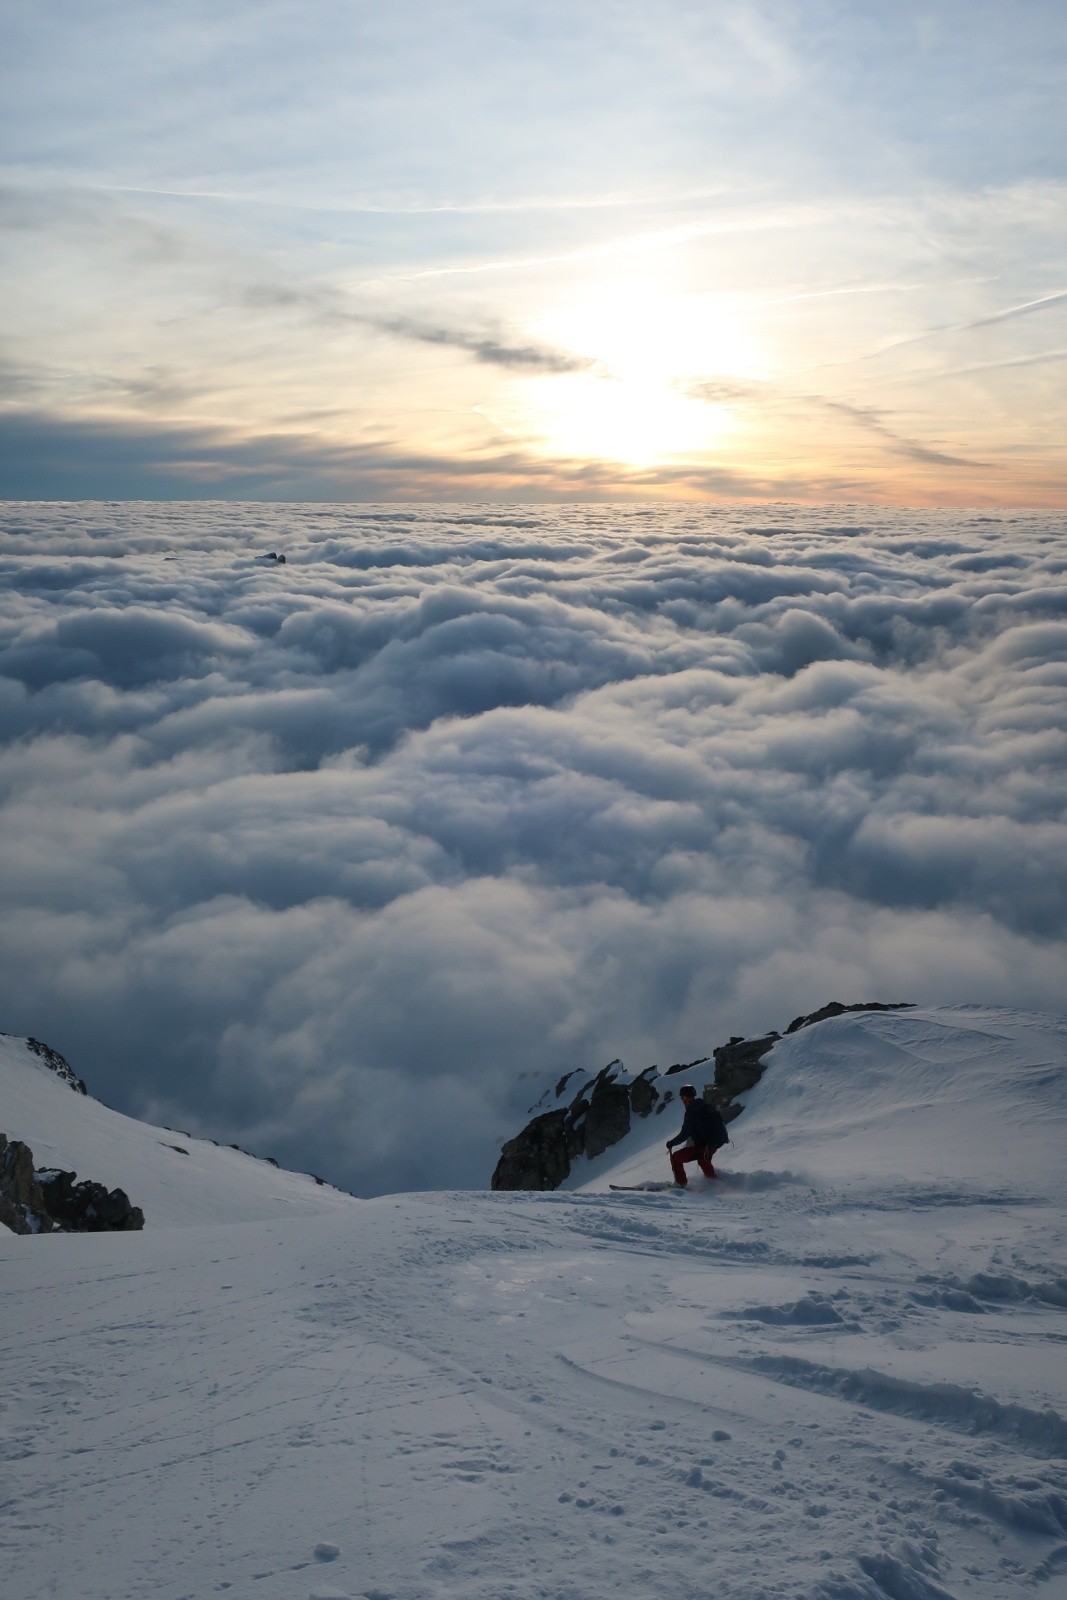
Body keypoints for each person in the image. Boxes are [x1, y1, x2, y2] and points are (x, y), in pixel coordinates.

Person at [666, 1084, 729, 1187]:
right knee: (703, 1160)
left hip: (706, 1146)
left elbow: (685, 1133)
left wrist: (672, 1143)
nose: (682, 1100)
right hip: (714, 1143)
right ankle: (714, 1185)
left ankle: (681, 1185)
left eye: (682, 1098)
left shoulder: (692, 1111)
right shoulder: (704, 1105)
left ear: (685, 1098)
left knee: (676, 1157)